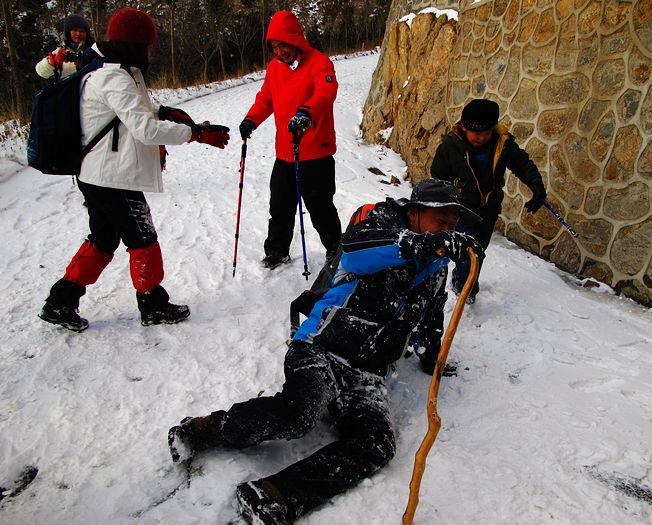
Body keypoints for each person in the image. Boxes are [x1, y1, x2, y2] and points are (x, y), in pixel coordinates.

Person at [167, 179, 482, 524]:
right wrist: (420, 244)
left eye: (453, 224)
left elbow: (430, 319)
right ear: (415, 212)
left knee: (376, 443)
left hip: (368, 374)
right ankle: (206, 429)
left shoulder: (436, 269)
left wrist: (431, 358)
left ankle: (274, 495)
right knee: (299, 414)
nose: (448, 228)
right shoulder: (383, 226)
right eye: (442, 220)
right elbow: (354, 252)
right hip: (322, 347)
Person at [38, 7, 230, 332]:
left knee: (102, 240)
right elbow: (144, 129)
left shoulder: (119, 70)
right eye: (148, 45)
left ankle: (60, 301)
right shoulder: (112, 76)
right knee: (143, 238)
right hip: (111, 176)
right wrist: (195, 134)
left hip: (98, 174)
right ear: (136, 44)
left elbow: (136, 110)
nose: (151, 52)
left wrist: (165, 110)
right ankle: (153, 304)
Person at [238, 10, 342, 270]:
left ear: (294, 39)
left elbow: (327, 90)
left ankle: (336, 249)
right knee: (280, 205)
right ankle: (277, 250)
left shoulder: (319, 62)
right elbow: (266, 99)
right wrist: (251, 119)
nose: (278, 52)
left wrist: (307, 112)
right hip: (285, 152)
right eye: (274, 46)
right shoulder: (274, 68)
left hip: (315, 151)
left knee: (320, 207)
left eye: (282, 45)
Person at [431, 98, 547, 303]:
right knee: (472, 253)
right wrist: (447, 202)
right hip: (462, 211)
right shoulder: (450, 146)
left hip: (489, 210)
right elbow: (437, 176)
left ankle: (462, 279)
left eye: (486, 132)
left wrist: (536, 185)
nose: (482, 137)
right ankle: (465, 291)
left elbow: (521, 163)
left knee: (478, 250)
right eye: (477, 133)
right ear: (465, 127)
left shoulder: (501, 143)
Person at [35, 14, 94, 80]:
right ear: (68, 32)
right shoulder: (61, 52)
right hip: (69, 88)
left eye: (82, 31)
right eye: (75, 30)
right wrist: (51, 63)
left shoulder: (94, 50)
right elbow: (41, 72)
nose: (78, 34)